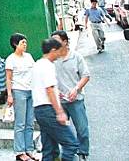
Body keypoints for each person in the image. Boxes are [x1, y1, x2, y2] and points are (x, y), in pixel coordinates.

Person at [32, 38, 79, 161]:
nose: (60, 54)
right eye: (59, 51)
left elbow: (44, 87)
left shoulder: (37, 64)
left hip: (38, 109)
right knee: (71, 143)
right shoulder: (48, 66)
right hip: (49, 110)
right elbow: (49, 89)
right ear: (53, 50)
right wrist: (59, 112)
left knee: (49, 149)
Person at [51, 30, 91, 160]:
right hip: (60, 102)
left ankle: (82, 152)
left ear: (65, 41)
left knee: (82, 129)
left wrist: (76, 89)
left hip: (76, 100)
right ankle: (66, 154)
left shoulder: (76, 57)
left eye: (56, 40)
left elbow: (86, 75)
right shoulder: (52, 59)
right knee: (61, 131)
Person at [5, 33, 36, 161]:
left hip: (31, 91)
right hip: (19, 91)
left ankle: (29, 149)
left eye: (25, 42)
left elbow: (34, 72)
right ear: (15, 44)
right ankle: (19, 151)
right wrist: (10, 95)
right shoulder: (10, 59)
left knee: (30, 123)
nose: (25, 45)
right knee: (20, 123)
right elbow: (8, 78)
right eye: (22, 42)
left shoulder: (28, 57)